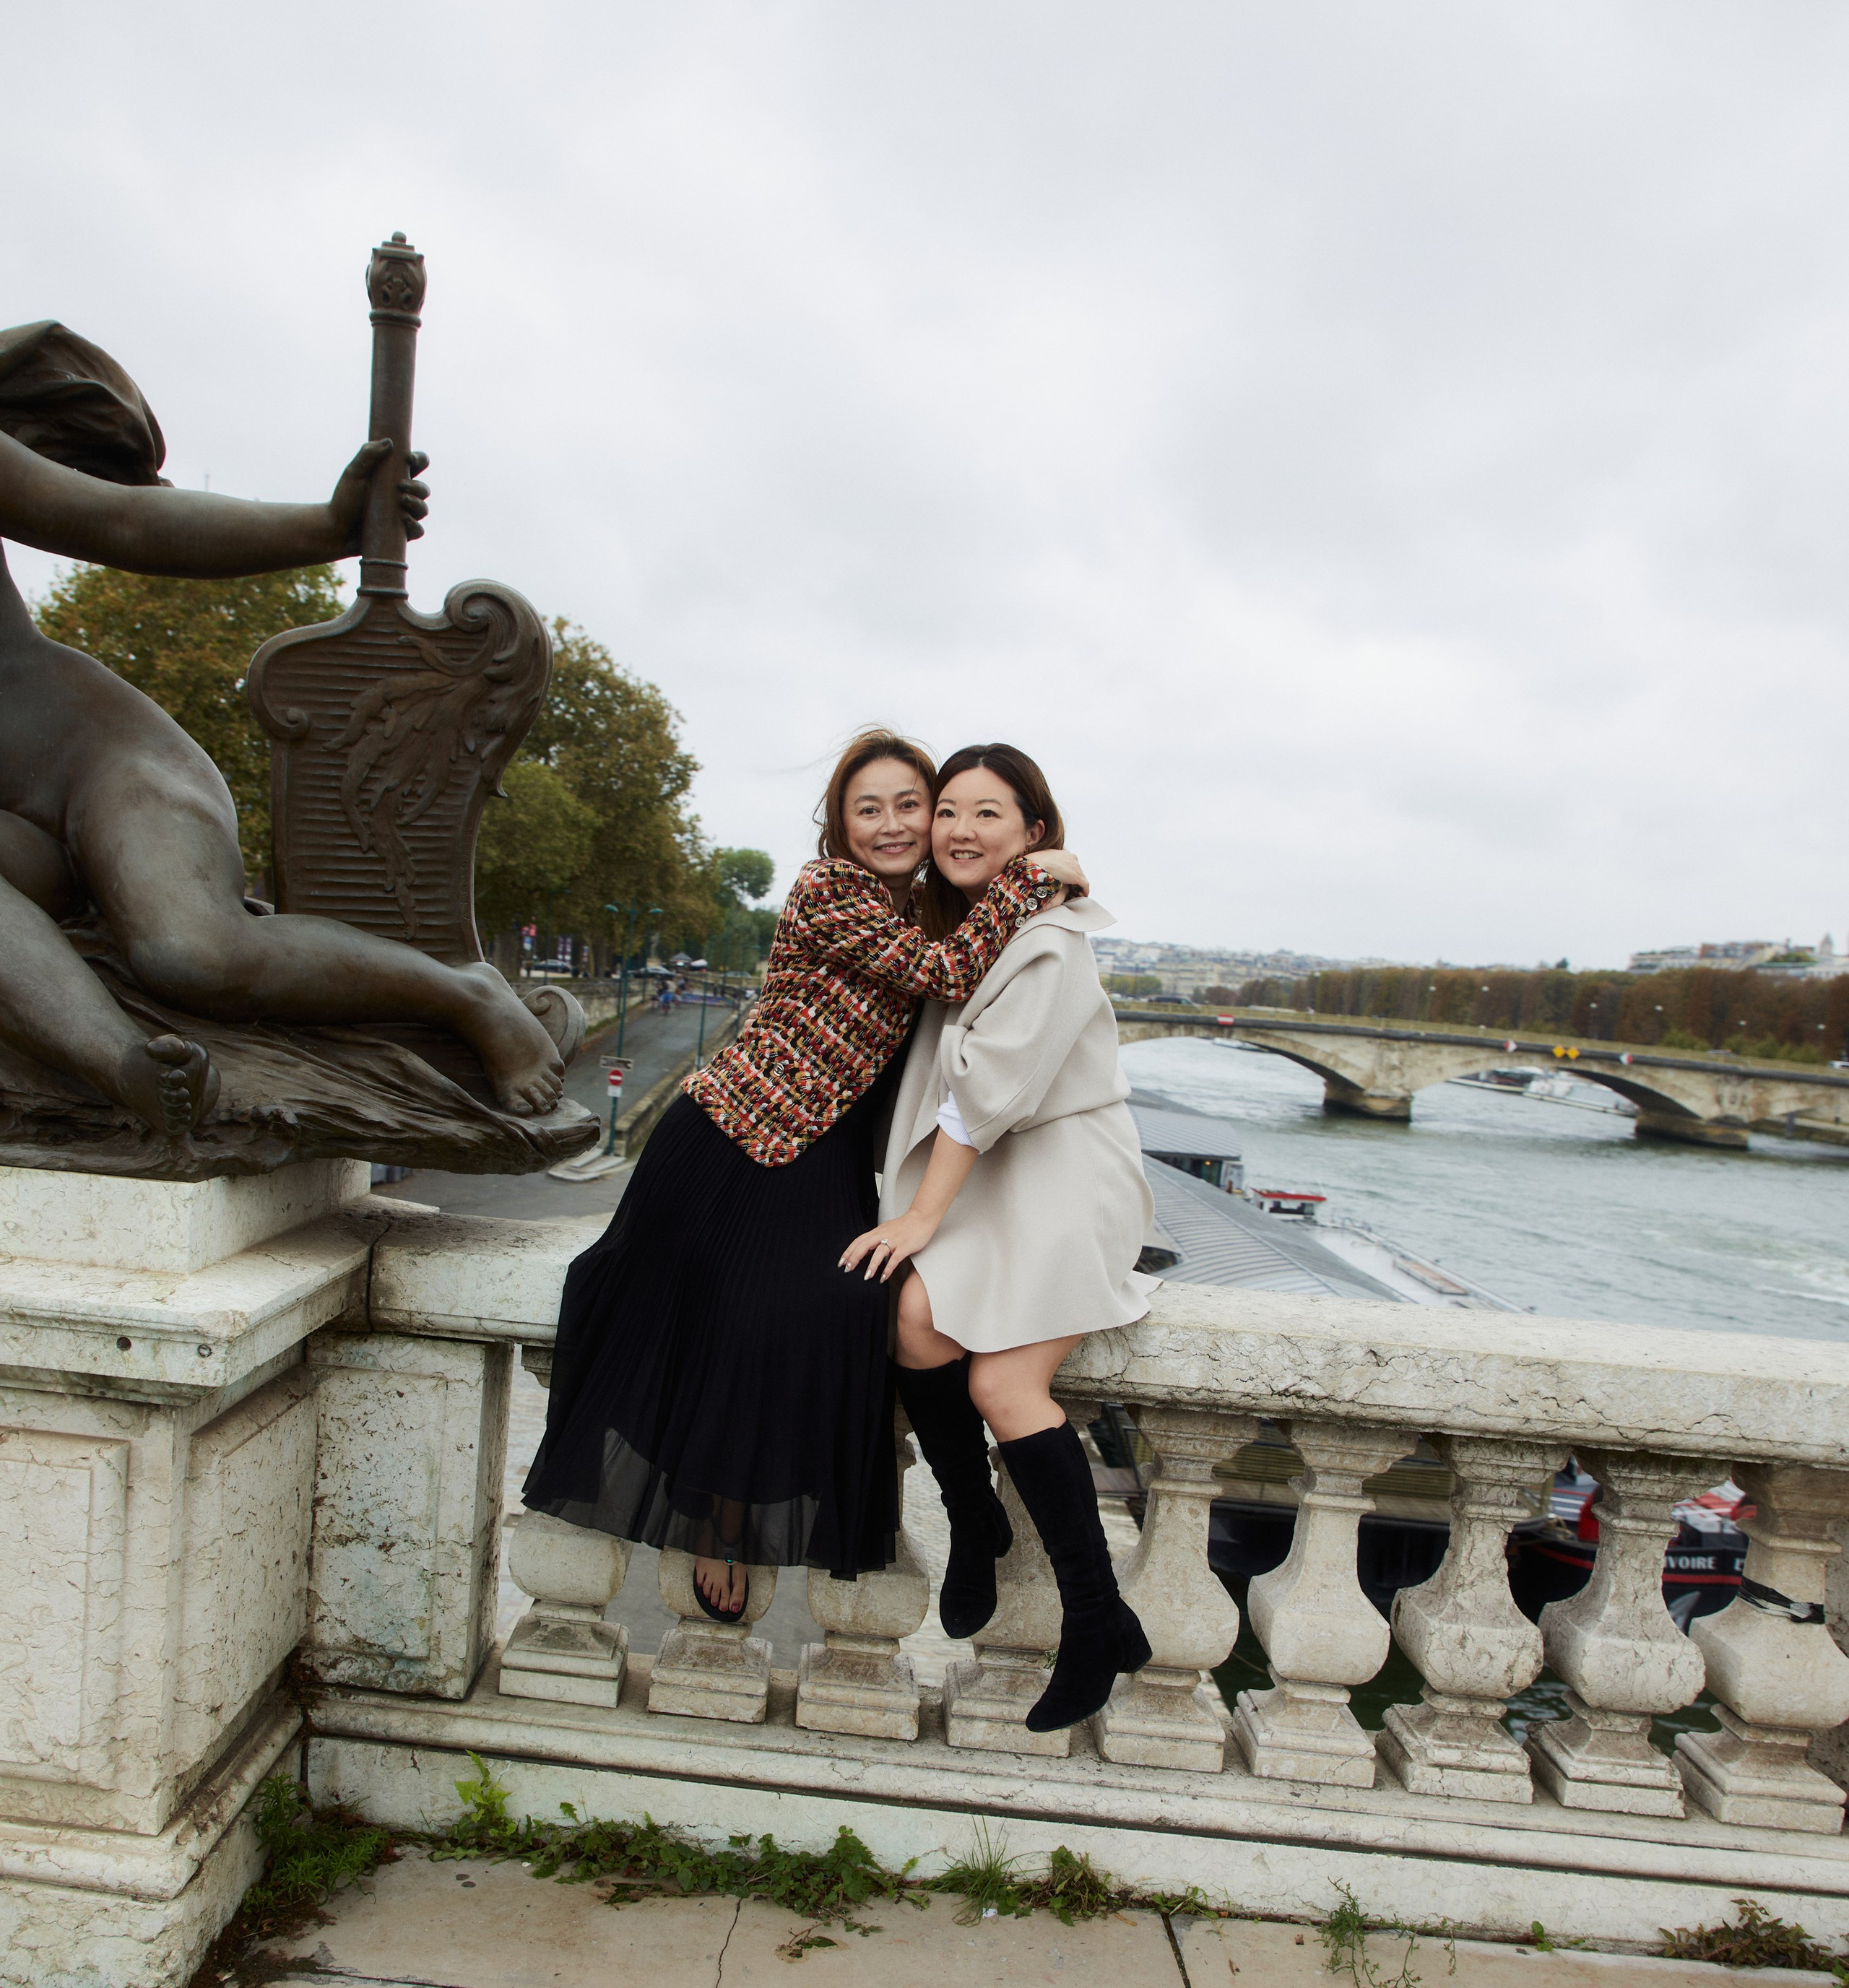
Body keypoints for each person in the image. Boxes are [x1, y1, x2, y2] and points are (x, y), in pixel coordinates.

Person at [523, 731, 1091, 1615]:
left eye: (915, 804)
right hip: (731, 1132)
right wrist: (1038, 868)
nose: (897, 824)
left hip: (824, 1151)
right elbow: (948, 972)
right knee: (732, 1320)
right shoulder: (830, 890)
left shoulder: (935, 907)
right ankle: (717, 1517)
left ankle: (964, 1517)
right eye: (871, 809)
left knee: (837, 1314)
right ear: (840, 823)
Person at [0, 320, 569, 1135]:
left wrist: (328, 529)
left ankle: (464, 990)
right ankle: (123, 1066)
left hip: (100, 762)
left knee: (188, 952)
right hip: (15, 834)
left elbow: (122, 522)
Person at [841, 743, 1156, 1733]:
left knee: (1001, 1386)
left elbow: (987, 1098)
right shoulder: (959, 924)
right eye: (952, 813)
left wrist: (924, 1215)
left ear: (1034, 832)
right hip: (993, 1177)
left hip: (1060, 1176)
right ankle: (976, 1524)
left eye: (991, 815)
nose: (961, 830)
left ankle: (1098, 1621)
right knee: (912, 1321)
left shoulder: (1052, 941)